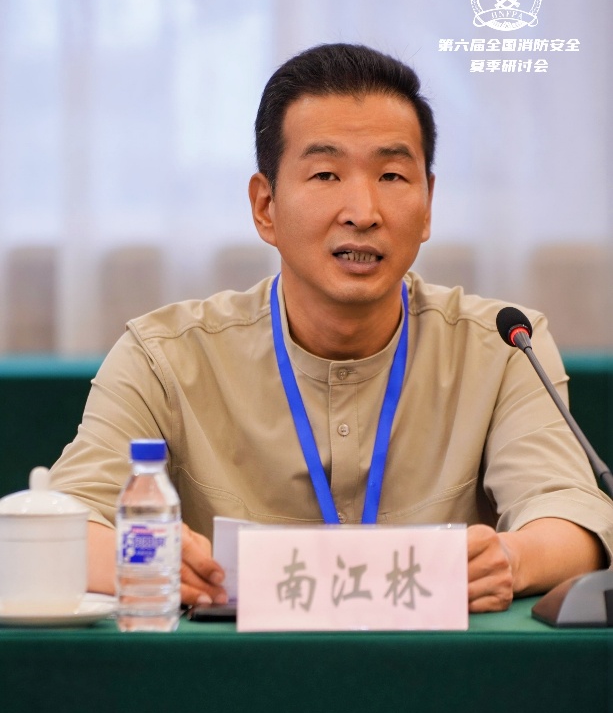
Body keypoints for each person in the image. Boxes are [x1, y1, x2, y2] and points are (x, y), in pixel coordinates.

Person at [49, 43, 613, 613]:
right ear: (265, 206)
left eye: (392, 175)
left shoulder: (504, 344)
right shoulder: (164, 357)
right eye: (325, 174)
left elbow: (574, 520)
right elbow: (63, 527)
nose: (363, 212)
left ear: (427, 205)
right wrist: (150, 556)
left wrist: (510, 559)